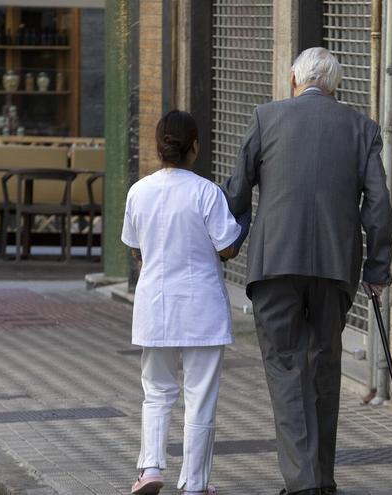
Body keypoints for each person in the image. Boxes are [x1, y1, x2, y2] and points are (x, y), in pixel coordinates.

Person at [223, 47, 392, 495]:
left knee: (285, 368)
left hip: (275, 263)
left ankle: (302, 484)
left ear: (293, 80)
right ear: (335, 86)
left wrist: (227, 244)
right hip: (335, 267)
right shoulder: (362, 128)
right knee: (323, 367)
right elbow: (378, 208)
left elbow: (237, 192)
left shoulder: (266, 117)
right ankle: (321, 480)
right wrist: (377, 268)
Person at [123, 110, 242, 495]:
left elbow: (136, 249)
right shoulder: (207, 192)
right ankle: (194, 484)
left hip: (155, 306)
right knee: (200, 397)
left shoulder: (138, 192)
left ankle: (151, 468)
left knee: (156, 391)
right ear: (195, 147)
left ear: (158, 148)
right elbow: (227, 249)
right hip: (201, 308)